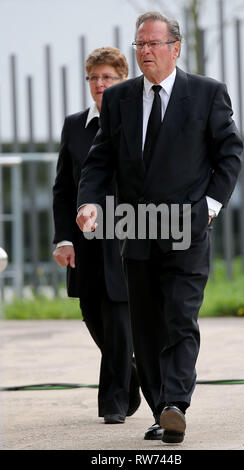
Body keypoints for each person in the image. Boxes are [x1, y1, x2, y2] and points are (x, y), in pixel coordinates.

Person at [76, 13, 243, 444]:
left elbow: (229, 153)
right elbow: (100, 161)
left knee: (180, 318)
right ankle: (160, 409)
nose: (145, 51)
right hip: (137, 229)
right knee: (147, 328)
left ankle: (175, 404)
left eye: (153, 44)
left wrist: (208, 206)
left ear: (175, 47)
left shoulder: (206, 94)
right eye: (139, 45)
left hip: (187, 227)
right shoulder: (119, 100)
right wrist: (90, 203)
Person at [52, 47, 140, 424]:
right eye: (94, 78)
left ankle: (114, 405)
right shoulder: (75, 125)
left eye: (108, 77)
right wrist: (64, 238)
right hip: (85, 239)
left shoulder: (136, 120)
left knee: (119, 319)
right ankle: (135, 377)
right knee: (92, 313)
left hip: (126, 235)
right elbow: (62, 189)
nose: (100, 84)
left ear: (123, 80)